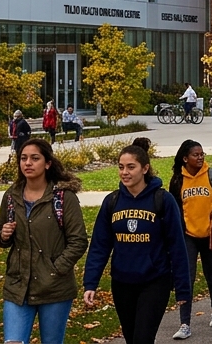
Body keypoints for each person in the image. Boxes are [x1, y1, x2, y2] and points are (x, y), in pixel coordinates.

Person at [83, 138, 192, 344]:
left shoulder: (162, 200)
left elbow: (177, 246)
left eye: (131, 167)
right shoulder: (112, 202)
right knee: (132, 338)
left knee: (143, 338)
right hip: (122, 282)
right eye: (121, 167)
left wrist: (182, 287)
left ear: (145, 168)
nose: (125, 172)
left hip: (154, 281)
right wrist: (91, 283)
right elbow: (100, 245)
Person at [0, 139, 88, 344]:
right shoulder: (11, 196)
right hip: (18, 286)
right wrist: (4, 235)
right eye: (23, 158)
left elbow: (78, 241)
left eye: (35, 158)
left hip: (54, 287)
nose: (28, 163)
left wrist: (56, 268)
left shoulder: (63, 198)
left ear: (47, 163)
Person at [168, 140, 212, 340]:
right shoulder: (178, 180)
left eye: (202, 154)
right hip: (188, 236)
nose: (200, 157)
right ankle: (185, 323)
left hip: (210, 234)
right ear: (185, 158)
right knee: (186, 278)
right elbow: (174, 208)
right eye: (196, 155)